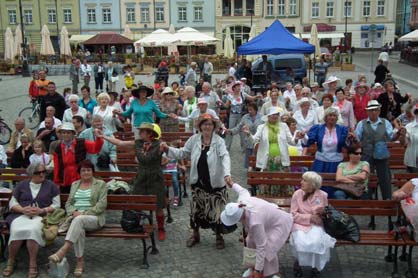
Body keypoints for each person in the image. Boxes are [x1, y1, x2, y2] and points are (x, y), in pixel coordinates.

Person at [160, 114, 234, 249]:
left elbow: (225, 157)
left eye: (210, 124)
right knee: (196, 211)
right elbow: (182, 153)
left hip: (215, 183)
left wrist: (227, 174)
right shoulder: (194, 140)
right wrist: (167, 149)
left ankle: (219, 236)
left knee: (217, 210)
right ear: (200, 126)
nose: (207, 126)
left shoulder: (219, 141)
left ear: (214, 127)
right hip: (198, 182)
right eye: (204, 124)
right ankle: (195, 234)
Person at [101, 123, 168, 241]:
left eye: (142, 131)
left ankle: (161, 228)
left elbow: (170, 155)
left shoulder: (159, 144)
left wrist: (165, 152)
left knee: (158, 205)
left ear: (149, 133)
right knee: (136, 202)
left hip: (155, 177)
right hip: (141, 177)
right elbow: (120, 143)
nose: (139, 133)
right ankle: (134, 225)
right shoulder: (138, 143)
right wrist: (103, 136)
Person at [221, 182, 293, 278]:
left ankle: (273, 273)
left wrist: (258, 271)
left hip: (278, 223)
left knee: (268, 247)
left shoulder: (255, 223)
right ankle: (252, 266)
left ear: (239, 218)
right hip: (266, 219)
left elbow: (261, 246)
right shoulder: (241, 202)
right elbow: (243, 191)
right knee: (249, 240)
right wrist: (232, 184)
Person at [48, 160, 107, 277]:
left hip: (94, 218)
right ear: (79, 172)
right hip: (76, 219)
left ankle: (63, 251)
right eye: (83, 170)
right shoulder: (75, 184)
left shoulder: (101, 184)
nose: (86, 172)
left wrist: (83, 213)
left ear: (93, 172)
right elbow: (68, 204)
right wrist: (74, 212)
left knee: (79, 220)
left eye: (88, 170)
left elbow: (102, 205)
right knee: (79, 227)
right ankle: (80, 262)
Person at [3, 163, 60, 278]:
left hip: (41, 217)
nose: (42, 174)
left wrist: (42, 210)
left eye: (44, 171)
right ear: (31, 174)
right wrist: (23, 210)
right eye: (39, 173)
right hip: (20, 216)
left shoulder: (51, 186)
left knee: (33, 230)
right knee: (16, 229)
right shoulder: (22, 185)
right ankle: (11, 260)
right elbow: (12, 203)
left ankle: (32, 263)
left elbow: (56, 205)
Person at [243, 107, 302, 197]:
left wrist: (296, 138)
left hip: (281, 160)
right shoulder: (262, 127)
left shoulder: (284, 126)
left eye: (277, 115)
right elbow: (254, 140)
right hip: (267, 160)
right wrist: (248, 134)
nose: (275, 116)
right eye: (273, 115)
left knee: (282, 182)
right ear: (268, 116)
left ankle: (282, 200)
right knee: (267, 182)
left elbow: (291, 141)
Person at [290, 171, 336, 278]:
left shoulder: (323, 195)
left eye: (305, 181)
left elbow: (326, 214)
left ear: (312, 184)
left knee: (317, 241)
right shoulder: (297, 194)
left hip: (316, 225)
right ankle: (298, 263)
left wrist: (322, 214)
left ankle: (315, 266)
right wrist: (309, 217)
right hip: (300, 224)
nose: (301, 182)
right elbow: (293, 214)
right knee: (301, 241)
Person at [355, 100, 401, 200]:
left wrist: (398, 133)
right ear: (367, 112)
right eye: (371, 110)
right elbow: (357, 139)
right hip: (366, 154)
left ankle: (387, 200)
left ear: (379, 111)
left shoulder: (385, 122)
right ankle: (366, 199)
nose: (374, 112)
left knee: (385, 177)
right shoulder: (361, 124)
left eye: (376, 110)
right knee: (366, 177)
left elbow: (391, 137)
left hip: (382, 154)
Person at [304, 107, 352, 198]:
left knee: (333, 187)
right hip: (320, 162)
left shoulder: (342, 129)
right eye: (330, 115)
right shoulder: (318, 128)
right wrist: (303, 136)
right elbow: (309, 142)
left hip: (336, 162)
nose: (332, 117)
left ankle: (333, 208)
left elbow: (346, 145)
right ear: (326, 117)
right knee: (317, 185)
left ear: (337, 118)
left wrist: (349, 140)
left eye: (334, 116)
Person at [53, 122, 103, 193]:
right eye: (63, 133)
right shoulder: (58, 148)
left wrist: (98, 138)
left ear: (73, 134)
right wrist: (56, 182)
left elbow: (95, 148)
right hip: (65, 178)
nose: (65, 135)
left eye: (68, 133)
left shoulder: (82, 142)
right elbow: (57, 166)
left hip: (79, 176)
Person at [224, 82, 259, 150]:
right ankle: (227, 147)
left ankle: (244, 147)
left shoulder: (243, 94)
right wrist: (220, 103)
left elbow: (251, 98)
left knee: (243, 131)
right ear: (234, 88)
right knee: (230, 130)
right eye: (237, 86)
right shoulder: (230, 96)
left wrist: (257, 96)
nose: (239, 87)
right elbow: (226, 106)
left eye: (239, 86)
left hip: (241, 115)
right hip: (232, 115)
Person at [228, 102, 263, 169]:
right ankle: (250, 174)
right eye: (248, 110)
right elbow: (239, 127)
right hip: (249, 142)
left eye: (251, 110)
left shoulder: (261, 118)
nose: (249, 111)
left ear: (255, 110)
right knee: (249, 160)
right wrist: (231, 131)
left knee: (259, 160)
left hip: (259, 142)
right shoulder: (245, 117)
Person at [399, 103, 418, 172]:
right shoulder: (409, 126)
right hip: (413, 161)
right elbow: (404, 143)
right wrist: (403, 135)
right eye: (417, 112)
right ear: (415, 114)